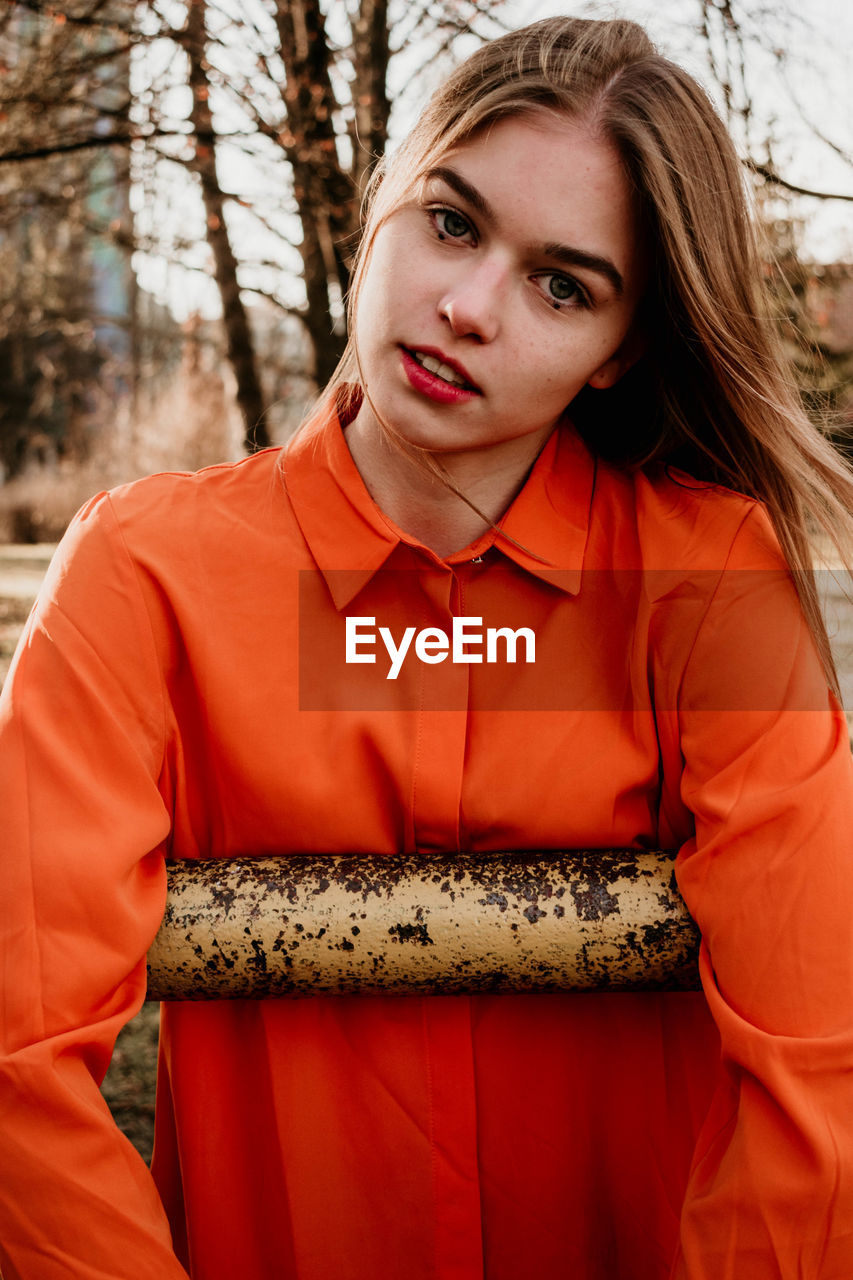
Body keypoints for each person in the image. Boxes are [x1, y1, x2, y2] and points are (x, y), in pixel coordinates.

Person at [1, 15, 852, 1280]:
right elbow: (17, 1052)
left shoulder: (707, 581)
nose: (465, 306)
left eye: (560, 284)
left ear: (619, 349)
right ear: (384, 204)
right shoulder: (143, 573)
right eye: (451, 221)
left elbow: (816, 1056)